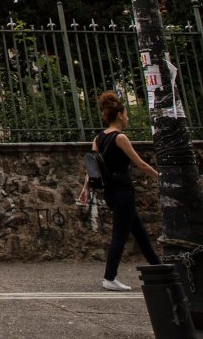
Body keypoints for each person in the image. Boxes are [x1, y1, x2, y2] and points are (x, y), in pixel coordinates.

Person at [77, 90, 161, 291]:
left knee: (140, 234)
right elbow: (140, 164)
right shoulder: (120, 138)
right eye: (126, 114)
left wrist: (85, 188)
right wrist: (160, 178)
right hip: (123, 191)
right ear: (120, 115)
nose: (128, 117)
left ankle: (159, 269)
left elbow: (93, 168)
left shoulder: (98, 138)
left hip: (110, 193)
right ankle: (109, 277)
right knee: (120, 236)